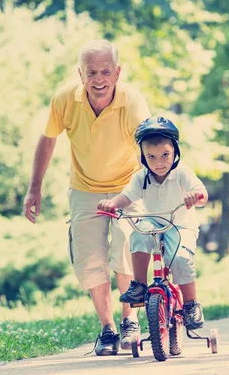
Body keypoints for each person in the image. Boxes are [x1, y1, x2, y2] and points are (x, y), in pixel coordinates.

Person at [23, 39, 151, 356]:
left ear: (117, 72)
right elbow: (48, 139)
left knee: (126, 247)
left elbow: (148, 147)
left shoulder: (132, 101)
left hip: (127, 187)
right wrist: (34, 188)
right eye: (91, 72)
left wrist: (160, 187)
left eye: (105, 71)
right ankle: (107, 328)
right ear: (81, 74)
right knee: (89, 259)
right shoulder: (66, 99)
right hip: (84, 188)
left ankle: (130, 322)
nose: (98, 79)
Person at [97, 116, 208, 330]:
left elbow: (202, 193)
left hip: (180, 225)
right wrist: (112, 203)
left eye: (165, 155)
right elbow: (126, 197)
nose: (159, 162)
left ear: (175, 152)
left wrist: (196, 197)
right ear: (143, 157)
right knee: (138, 234)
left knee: (182, 259)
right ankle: (139, 284)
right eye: (152, 156)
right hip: (153, 223)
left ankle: (191, 304)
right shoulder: (141, 178)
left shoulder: (182, 172)